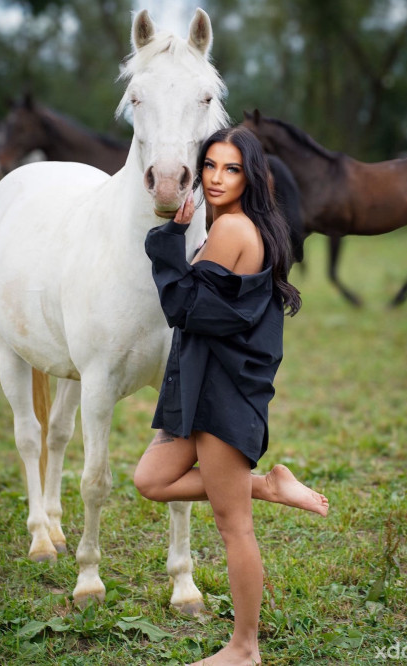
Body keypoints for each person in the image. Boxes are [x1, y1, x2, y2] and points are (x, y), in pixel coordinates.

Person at [134, 126, 328, 666]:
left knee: (234, 527)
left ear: (251, 177)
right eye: (211, 166)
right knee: (151, 479)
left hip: (222, 395)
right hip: (206, 382)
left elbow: (183, 306)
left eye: (232, 169)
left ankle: (245, 648)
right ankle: (266, 486)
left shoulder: (231, 229)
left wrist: (171, 238)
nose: (218, 178)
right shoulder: (248, 226)